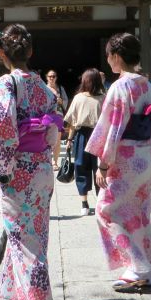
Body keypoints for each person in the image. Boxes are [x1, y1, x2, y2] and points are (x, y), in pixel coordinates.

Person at [0, 24, 63, 300]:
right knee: (32, 237)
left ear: (1, 54)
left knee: (24, 242)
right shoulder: (45, 89)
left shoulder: (8, 81)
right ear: (30, 52)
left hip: (18, 171)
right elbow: (53, 130)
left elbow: (2, 124)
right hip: (42, 169)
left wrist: (0, 168)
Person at [85, 33, 151, 292]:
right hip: (145, 156)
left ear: (117, 56)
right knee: (140, 212)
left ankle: (138, 266)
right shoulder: (148, 86)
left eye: (109, 56)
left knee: (106, 210)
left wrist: (103, 164)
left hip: (125, 159)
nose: (108, 61)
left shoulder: (120, 87)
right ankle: (146, 270)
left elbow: (112, 128)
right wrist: (148, 148)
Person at [64, 68, 105, 216]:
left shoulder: (81, 98)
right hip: (97, 135)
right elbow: (73, 121)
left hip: (84, 135)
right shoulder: (101, 98)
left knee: (84, 167)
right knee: (96, 168)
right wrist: (69, 139)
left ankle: (86, 203)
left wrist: (70, 138)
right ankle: (90, 202)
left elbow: (71, 121)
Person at [45, 69, 68, 168]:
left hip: (58, 115)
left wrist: (61, 101)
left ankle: (54, 162)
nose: (52, 78)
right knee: (46, 139)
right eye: (50, 76)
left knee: (58, 140)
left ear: (56, 77)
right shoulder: (44, 88)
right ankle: (47, 160)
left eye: (53, 76)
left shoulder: (60, 88)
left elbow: (65, 101)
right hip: (47, 116)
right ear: (46, 77)